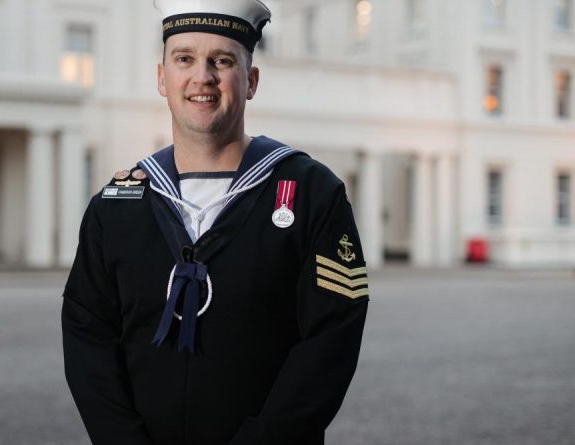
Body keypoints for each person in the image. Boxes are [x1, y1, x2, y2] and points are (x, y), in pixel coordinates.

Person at [61, 1, 369, 444]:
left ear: (251, 81)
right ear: (162, 78)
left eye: (222, 61)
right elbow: (87, 335)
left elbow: (331, 341)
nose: (202, 77)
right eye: (184, 58)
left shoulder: (314, 194)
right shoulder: (117, 206)